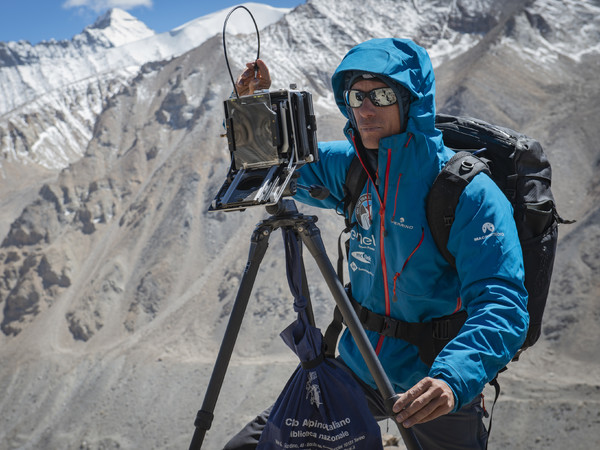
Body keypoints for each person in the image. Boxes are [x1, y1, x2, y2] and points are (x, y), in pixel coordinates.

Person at [225, 38, 528, 449]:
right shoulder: (354, 167)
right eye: (356, 96)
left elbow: (502, 305)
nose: (365, 109)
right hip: (357, 369)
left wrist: (451, 381)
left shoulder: (467, 193)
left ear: (411, 101)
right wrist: (256, 107)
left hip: (432, 384)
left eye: (381, 96)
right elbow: (277, 164)